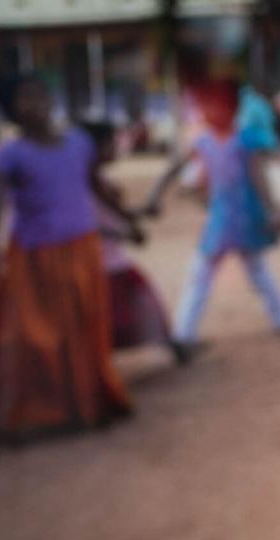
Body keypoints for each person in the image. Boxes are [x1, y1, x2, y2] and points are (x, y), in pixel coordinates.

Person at [0, 74, 135, 439]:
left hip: (82, 250)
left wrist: (128, 220)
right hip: (35, 257)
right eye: (23, 99)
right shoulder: (10, 155)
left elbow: (94, 186)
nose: (35, 105)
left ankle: (88, 404)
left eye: (39, 95)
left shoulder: (78, 143)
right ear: (11, 111)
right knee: (36, 335)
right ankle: (37, 410)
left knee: (85, 327)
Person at [142, 79, 280, 350]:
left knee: (208, 273)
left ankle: (184, 332)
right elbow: (177, 168)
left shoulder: (235, 140)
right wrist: (154, 194)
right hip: (236, 218)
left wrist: (272, 210)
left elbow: (258, 176)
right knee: (254, 270)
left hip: (230, 219)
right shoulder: (215, 140)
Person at [81, 120, 186, 364]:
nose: (116, 147)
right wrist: (125, 233)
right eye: (110, 143)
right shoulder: (83, 185)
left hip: (111, 259)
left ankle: (169, 346)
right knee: (127, 312)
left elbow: (119, 214)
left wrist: (144, 209)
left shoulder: (97, 181)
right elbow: (87, 226)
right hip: (100, 262)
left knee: (135, 309)